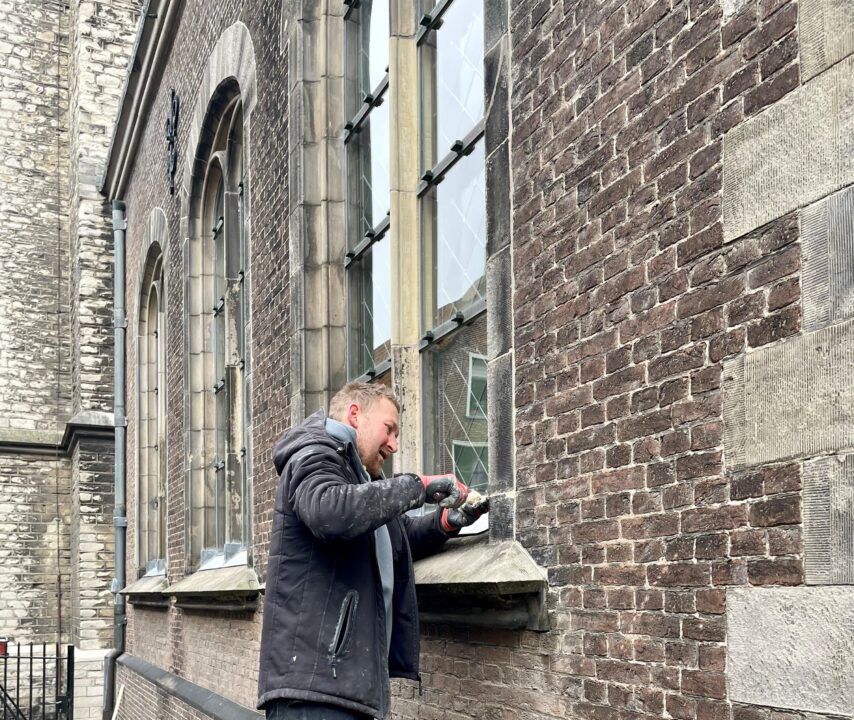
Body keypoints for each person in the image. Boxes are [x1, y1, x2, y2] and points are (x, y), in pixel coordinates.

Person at [257, 382, 489, 720]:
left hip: (343, 689)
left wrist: (446, 523)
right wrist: (418, 486)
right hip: (313, 693)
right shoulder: (314, 452)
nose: (394, 445)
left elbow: (397, 537)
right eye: (389, 429)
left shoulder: (359, 479)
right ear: (355, 415)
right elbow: (330, 512)